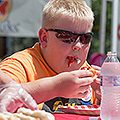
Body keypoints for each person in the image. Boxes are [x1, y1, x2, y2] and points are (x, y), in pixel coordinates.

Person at [0, 0, 101, 112]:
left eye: (85, 38)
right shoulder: (20, 65)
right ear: (44, 38)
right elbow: (4, 95)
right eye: (67, 36)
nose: (78, 46)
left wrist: (104, 97)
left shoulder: (86, 71)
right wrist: (54, 87)